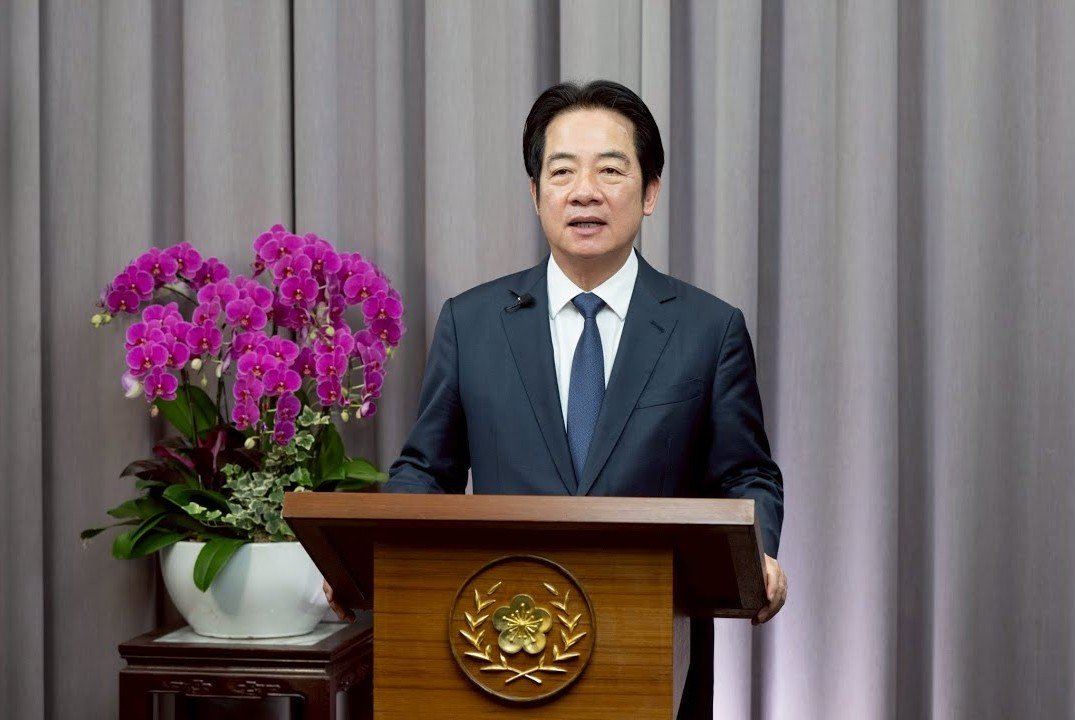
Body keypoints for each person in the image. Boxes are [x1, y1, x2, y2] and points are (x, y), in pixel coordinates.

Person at [328, 79, 786, 718]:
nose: (584, 191)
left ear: (650, 192)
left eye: (611, 170)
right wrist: (367, 559)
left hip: (652, 649)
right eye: (562, 170)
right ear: (536, 193)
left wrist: (758, 552)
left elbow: (745, 473)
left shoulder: (709, 329)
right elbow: (426, 470)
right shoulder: (471, 322)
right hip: (495, 647)